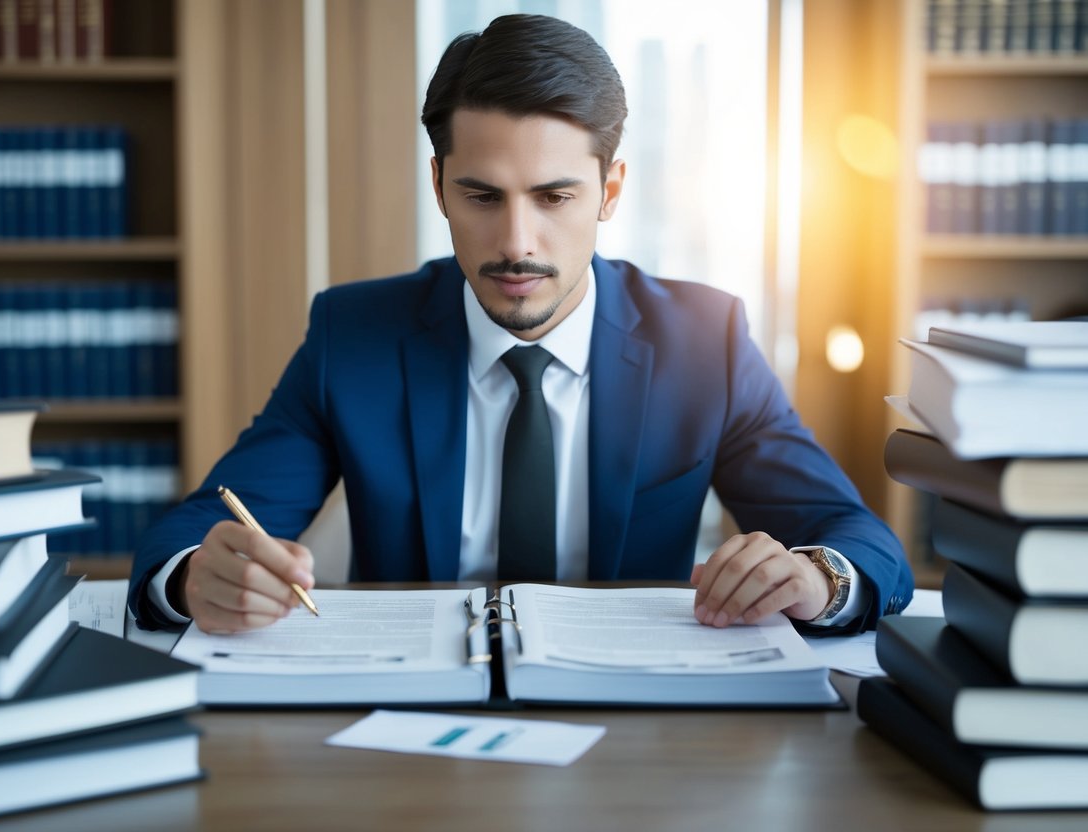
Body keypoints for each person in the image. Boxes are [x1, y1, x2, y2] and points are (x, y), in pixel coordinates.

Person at [129, 13, 913, 636]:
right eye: (482, 196)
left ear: (610, 190)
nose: (515, 243)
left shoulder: (703, 341)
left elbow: (854, 535)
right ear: (438, 185)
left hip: (636, 722)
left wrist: (820, 579)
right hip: (411, 717)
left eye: (554, 197)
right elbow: (195, 531)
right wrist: (198, 573)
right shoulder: (353, 335)